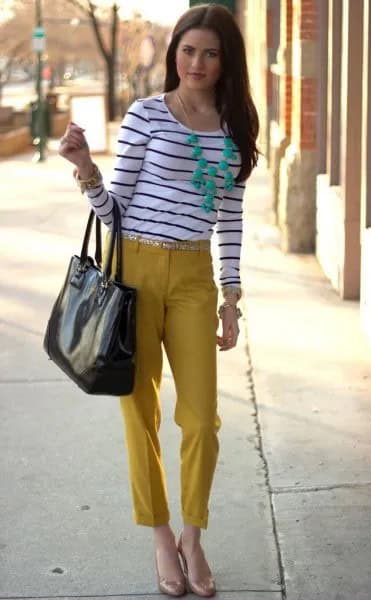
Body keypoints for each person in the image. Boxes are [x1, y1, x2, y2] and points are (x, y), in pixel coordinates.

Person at [59, 3, 259, 597]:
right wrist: (87, 171)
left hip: (196, 276)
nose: (196, 62)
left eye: (210, 52)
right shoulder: (147, 115)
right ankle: (159, 533)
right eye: (187, 50)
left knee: (202, 419)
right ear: (175, 54)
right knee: (138, 411)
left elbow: (232, 219)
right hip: (136, 272)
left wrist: (231, 298)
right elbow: (115, 211)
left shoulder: (236, 125)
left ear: (226, 61)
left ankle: (193, 536)